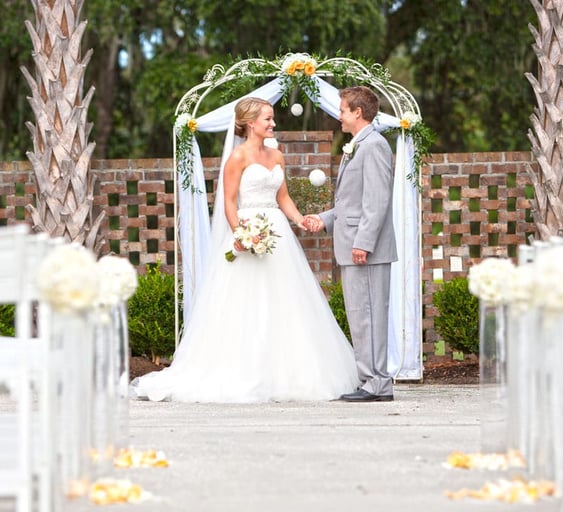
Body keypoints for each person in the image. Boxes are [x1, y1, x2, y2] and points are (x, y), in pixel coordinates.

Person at [134, 97, 359, 402]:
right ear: (251, 123)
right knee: (245, 302)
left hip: (276, 233)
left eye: (273, 118)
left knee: (286, 301)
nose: (273, 123)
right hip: (248, 231)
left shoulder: (277, 155)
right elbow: (229, 202)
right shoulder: (237, 158)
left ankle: (286, 374)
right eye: (268, 119)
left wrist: (299, 220)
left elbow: (283, 198)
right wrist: (240, 233)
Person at [307, 86, 397, 402]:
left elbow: (377, 200)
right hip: (354, 246)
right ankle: (370, 380)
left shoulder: (374, 146)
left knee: (369, 316)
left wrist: (364, 243)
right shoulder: (359, 145)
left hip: (365, 251)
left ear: (358, 112)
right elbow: (352, 202)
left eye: (343, 110)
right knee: (360, 317)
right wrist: (324, 219)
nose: (339, 116)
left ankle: (377, 384)